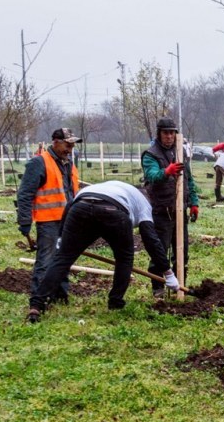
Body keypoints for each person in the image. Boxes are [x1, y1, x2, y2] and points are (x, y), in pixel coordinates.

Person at [26, 180, 180, 323]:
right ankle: (115, 302)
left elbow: (69, 206)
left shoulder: (107, 186)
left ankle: (36, 305)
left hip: (81, 207)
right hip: (113, 212)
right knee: (124, 258)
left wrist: (61, 236)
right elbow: (150, 239)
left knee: (63, 258)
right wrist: (168, 273)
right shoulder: (144, 203)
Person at [16, 128, 81, 305]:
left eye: (72, 145)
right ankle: (40, 298)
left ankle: (60, 296)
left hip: (67, 221)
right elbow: (25, 194)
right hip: (49, 221)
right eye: (67, 144)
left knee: (63, 259)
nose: (70, 148)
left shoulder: (68, 163)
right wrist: (24, 221)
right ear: (56, 142)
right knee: (46, 261)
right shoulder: (39, 163)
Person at [141, 117, 199, 298]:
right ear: (159, 134)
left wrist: (194, 202)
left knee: (182, 253)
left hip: (180, 212)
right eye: (166, 133)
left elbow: (189, 179)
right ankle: (158, 289)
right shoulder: (151, 154)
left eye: (172, 132)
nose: (169, 136)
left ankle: (179, 286)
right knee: (160, 253)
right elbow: (151, 176)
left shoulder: (180, 151)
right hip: (161, 212)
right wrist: (166, 172)